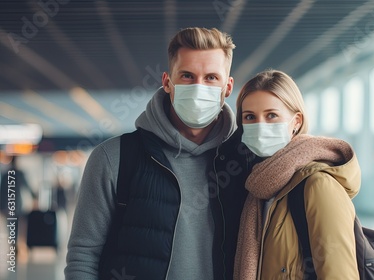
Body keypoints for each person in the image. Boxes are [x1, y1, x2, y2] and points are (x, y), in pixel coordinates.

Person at [65, 27, 248, 280]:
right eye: (187, 76)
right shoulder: (114, 158)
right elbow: (83, 256)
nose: (198, 88)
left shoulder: (245, 162)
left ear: (227, 87)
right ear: (167, 82)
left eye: (211, 78)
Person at [232, 70, 362, 280]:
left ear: (296, 122)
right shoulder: (259, 187)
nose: (260, 126)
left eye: (271, 115)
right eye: (250, 117)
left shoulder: (318, 185)